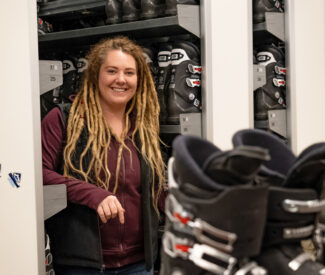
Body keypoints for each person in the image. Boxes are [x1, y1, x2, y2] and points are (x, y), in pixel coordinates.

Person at [42, 36, 167, 275]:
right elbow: (39, 174)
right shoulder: (63, 119)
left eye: (129, 73)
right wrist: (93, 194)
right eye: (112, 71)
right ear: (96, 75)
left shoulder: (142, 126)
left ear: (139, 80)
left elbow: (152, 190)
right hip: (82, 264)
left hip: (139, 263)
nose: (121, 79)